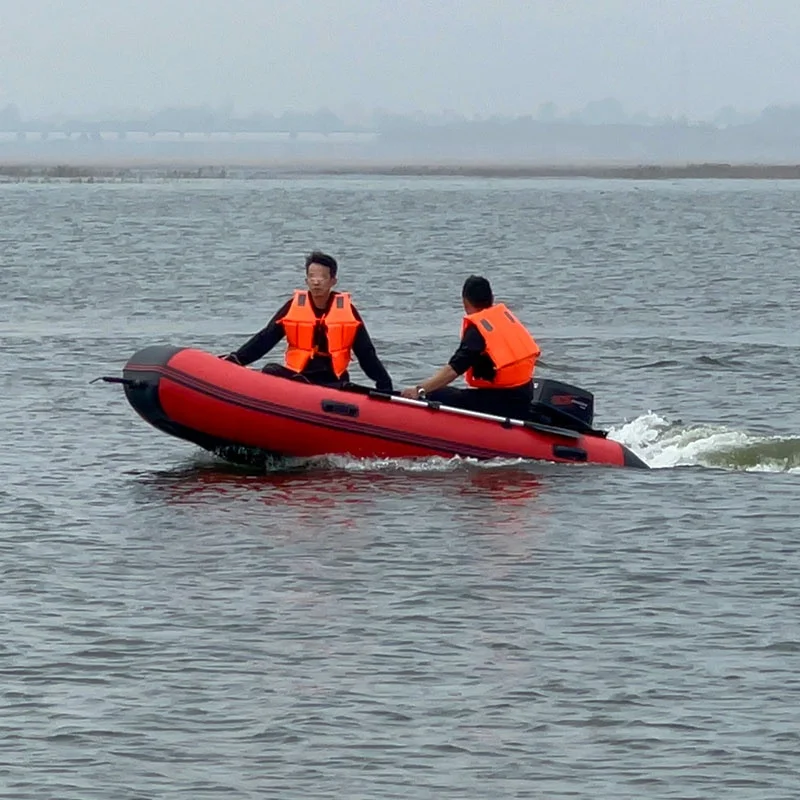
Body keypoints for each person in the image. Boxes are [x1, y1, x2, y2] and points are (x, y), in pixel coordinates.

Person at [220, 251, 393, 393]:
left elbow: (366, 354)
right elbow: (265, 339)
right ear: (306, 280)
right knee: (270, 370)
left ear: (333, 281)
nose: (316, 282)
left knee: (350, 389)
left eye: (322, 278)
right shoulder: (294, 307)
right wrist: (236, 359)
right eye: (312, 277)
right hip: (299, 378)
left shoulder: (347, 312)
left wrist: (384, 385)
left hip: (333, 381)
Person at [401, 275, 540, 419]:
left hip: (501, 401)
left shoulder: (478, 330)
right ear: (492, 298)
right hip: (524, 394)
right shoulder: (505, 320)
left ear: (465, 301)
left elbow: (453, 370)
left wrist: (419, 390)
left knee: (436, 394)